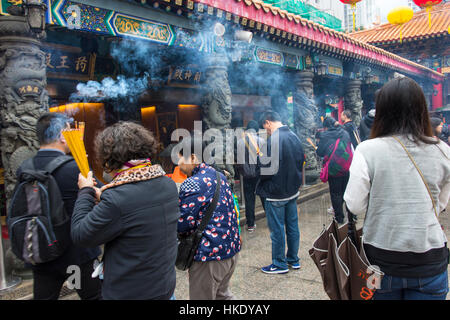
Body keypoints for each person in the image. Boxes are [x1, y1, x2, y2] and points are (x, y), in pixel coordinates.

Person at [344, 77, 450, 300]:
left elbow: (355, 204)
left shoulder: (367, 150)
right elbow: (440, 204)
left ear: (382, 111)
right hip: (429, 259)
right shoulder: (443, 150)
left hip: (381, 260)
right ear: (422, 108)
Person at [71, 122, 179, 300]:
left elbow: (80, 234)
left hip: (132, 293)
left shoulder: (118, 199)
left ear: (110, 158)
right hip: (164, 288)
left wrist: (84, 192)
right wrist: (104, 196)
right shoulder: (168, 185)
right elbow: (137, 208)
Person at [16, 112, 101, 300]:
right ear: (63, 136)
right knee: (94, 297)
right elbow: (101, 195)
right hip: (77, 254)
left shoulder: (24, 167)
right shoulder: (74, 167)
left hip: (42, 249)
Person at [176, 135, 241, 300]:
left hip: (209, 255)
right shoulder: (220, 175)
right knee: (222, 296)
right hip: (230, 250)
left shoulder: (192, 183)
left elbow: (182, 224)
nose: (178, 164)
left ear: (193, 157)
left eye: (180, 159)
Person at [256, 111, 304, 274]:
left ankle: (279, 264)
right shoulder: (294, 136)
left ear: (268, 122)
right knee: (292, 226)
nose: (266, 131)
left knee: (277, 230)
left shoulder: (273, 141)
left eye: (265, 127)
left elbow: (265, 170)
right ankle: (293, 259)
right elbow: (301, 161)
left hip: (275, 192)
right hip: (292, 190)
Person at [316, 117, 353, 224]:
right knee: (346, 191)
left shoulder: (325, 136)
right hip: (346, 166)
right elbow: (349, 148)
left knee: (336, 193)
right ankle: (351, 216)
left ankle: (339, 218)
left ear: (326, 126)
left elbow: (320, 152)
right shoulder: (345, 133)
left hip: (333, 169)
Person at [236, 120, 265, 233]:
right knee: (264, 197)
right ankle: (271, 222)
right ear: (256, 130)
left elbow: (239, 160)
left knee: (249, 199)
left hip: (247, 176)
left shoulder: (239, 142)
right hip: (260, 175)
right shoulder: (262, 141)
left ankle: (250, 225)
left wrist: (242, 171)